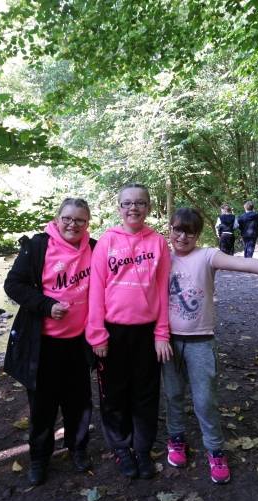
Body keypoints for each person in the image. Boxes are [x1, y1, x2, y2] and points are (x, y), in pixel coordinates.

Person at [163, 207, 258, 484]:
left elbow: (248, 265)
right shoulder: (162, 257)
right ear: (170, 229)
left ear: (198, 235)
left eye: (190, 232)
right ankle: (176, 438)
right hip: (168, 341)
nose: (183, 237)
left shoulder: (207, 255)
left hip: (201, 342)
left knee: (205, 400)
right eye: (178, 230)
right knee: (173, 395)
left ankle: (215, 449)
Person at [4, 198, 97, 486]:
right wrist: (46, 305)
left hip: (79, 342)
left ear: (87, 223)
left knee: (79, 402)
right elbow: (13, 284)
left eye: (79, 220)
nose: (73, 224)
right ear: (57, 219)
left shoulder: (94, 248)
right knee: (42, 406)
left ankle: (77, 448)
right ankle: (39, 458)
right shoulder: (37, 246)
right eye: (67, 218)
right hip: (43, 344)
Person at [86, 183, 173, 480]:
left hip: (147, 333)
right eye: (127, 203)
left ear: (148, 207)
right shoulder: (106, 242)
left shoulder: (158, 243)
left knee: (146, 394)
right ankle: (121, 448)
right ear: (119, 208)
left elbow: (162, 291)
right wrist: (97, 333)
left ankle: (143, 449)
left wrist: (162, 334)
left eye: (139, 203)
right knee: (114, 395)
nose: (133, 208)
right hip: (112, 333)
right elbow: (96, 290)